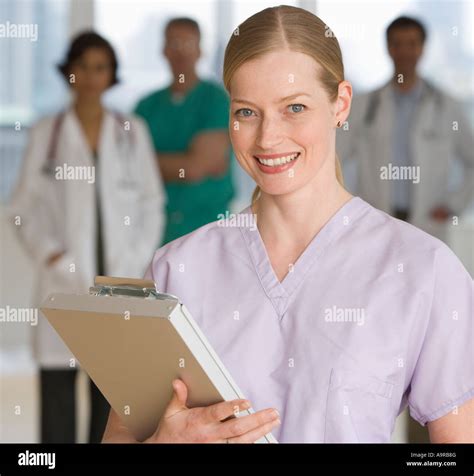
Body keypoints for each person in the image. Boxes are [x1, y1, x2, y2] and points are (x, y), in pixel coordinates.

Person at [103, 6, 473, 444]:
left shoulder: (423, 269)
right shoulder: (176, 269)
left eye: (294, 107)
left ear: (340, 103)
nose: (267, 138)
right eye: (246, 112)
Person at [9, 31, 166, 443]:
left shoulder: (133, 130)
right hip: (65, 283)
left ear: (112, 74)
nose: (93, 76)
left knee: (111, 406)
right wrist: (51, 255)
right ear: (70, 73)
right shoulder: (48, 132)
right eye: (84, 67)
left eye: (102, 67)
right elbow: (20, 209)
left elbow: (152, 202)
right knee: (58, 400)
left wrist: (135, 258)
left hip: (119, 283)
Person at [337, 16, 473, 241]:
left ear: (422, 48)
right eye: (397, 44)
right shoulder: (365, 106)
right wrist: (351, 205)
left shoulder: (446, 107)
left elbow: (472, 161)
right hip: (376, 222)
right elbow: (334, 159)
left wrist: (453, 205)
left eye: (412, 44)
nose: (404, 52)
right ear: (388, 48)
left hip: (428, 224)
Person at [135, 17, 234, 245]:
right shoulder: (146, 107)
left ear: (200, 51)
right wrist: (184, 162)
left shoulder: (215, 100)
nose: (181, 52)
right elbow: (127, 170)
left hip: (207, 232)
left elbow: (193, 169)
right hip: (153, 233)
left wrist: (147, 163)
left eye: (188, 44)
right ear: (164, 50)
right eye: (174, 44)